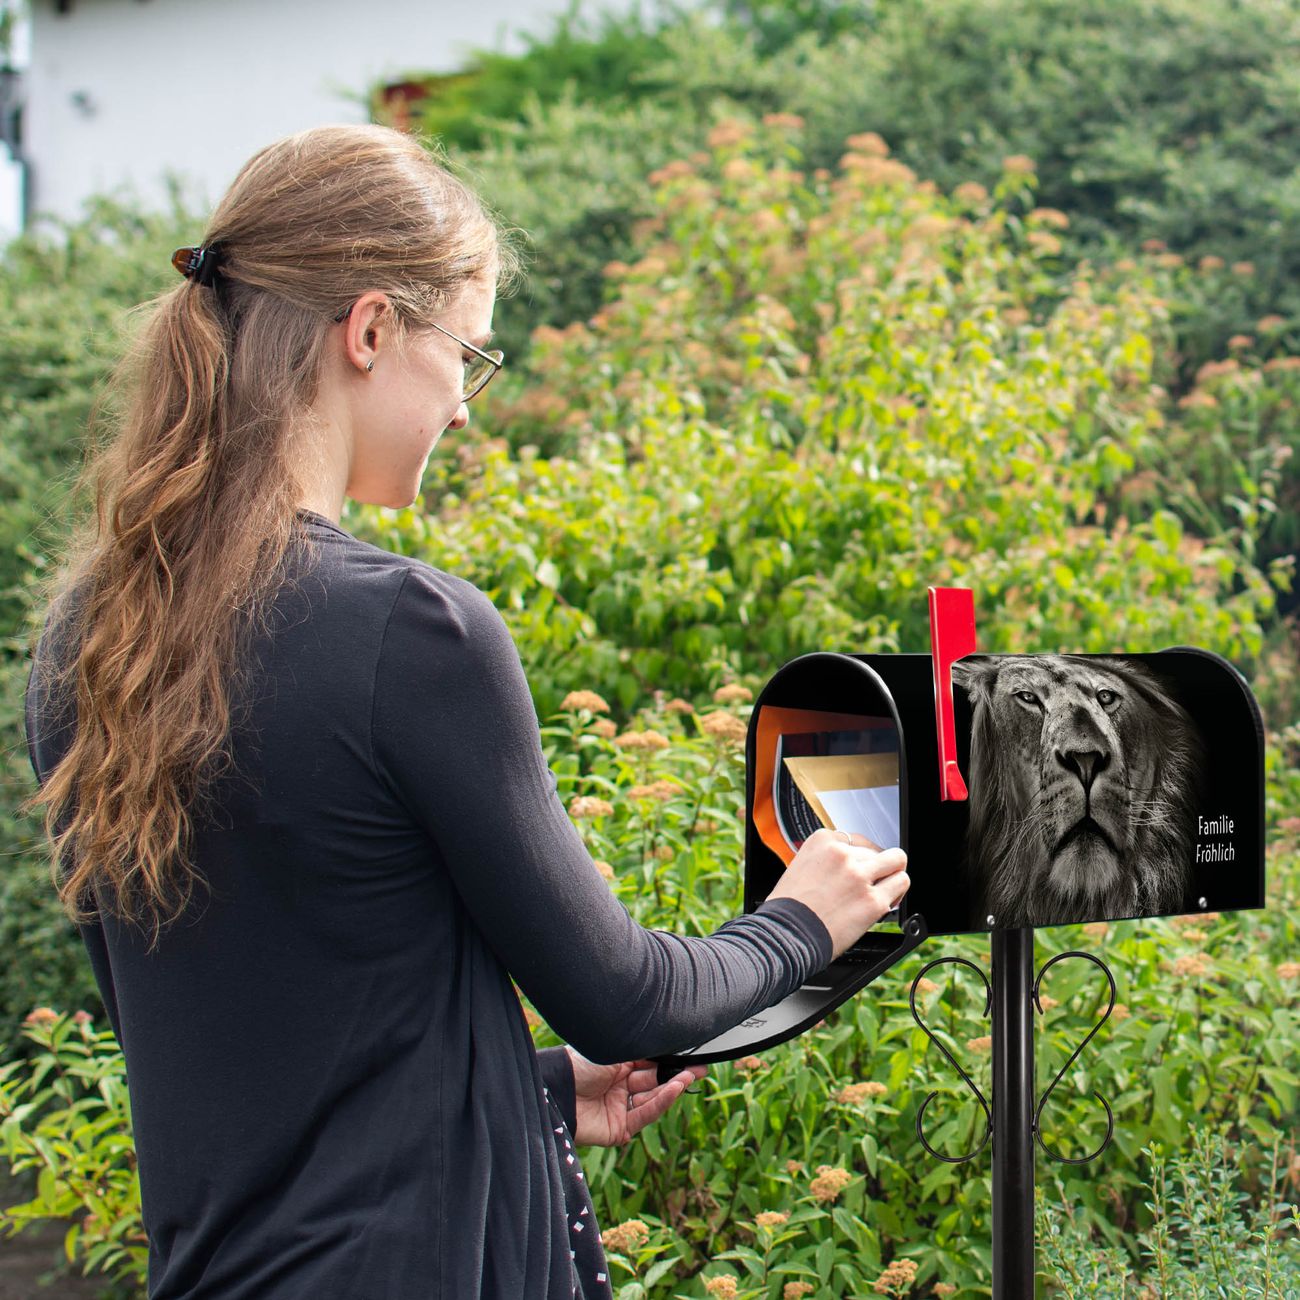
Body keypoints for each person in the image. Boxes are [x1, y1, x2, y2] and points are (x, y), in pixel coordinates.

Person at [21, 124, 910, 1300]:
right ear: (370, 329)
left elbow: (237, 1046)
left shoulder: (87, 640)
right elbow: (628, 996)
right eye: (467, 355)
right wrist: (802, 919)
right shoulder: (405, 630)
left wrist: (527, 1088)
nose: (465, 409)